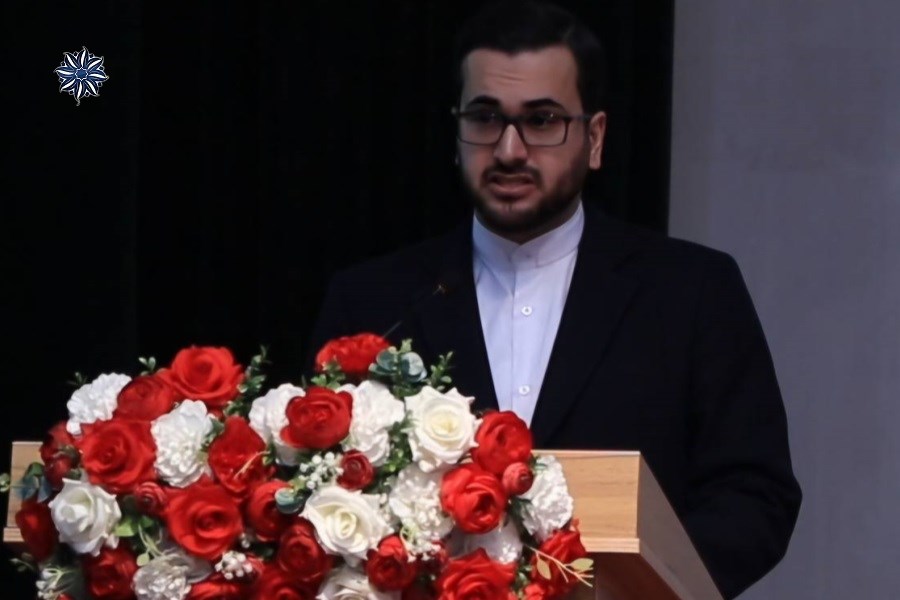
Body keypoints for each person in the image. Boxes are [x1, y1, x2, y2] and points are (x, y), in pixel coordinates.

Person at [307, 1, 801, 597]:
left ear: (594, 138)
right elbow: (316, 488)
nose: (510, 150)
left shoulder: (692, 291)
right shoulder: (373, 300)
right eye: (485, 118)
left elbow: (755, 495)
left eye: (542, 121)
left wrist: (648, 586)